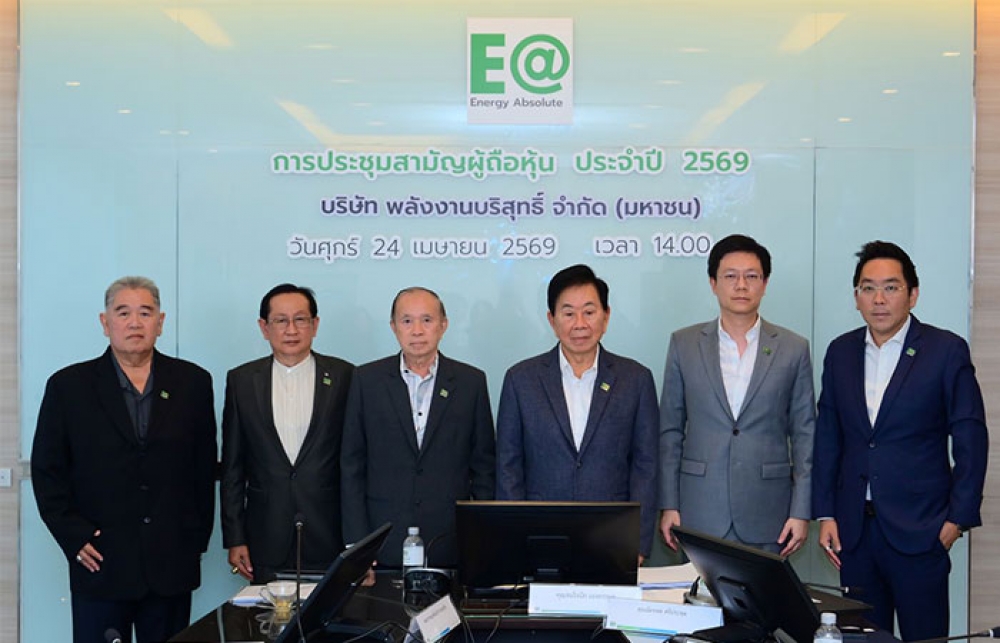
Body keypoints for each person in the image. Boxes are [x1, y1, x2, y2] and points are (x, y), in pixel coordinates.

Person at [813, 241, 989, 641]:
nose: (879, 299)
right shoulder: (841, 352)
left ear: (913, 294)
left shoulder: (945, 351)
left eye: (891, 287)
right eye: (868, 288)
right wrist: (825, 513)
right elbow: (828, 437)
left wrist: (957, 520)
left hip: (922, 530)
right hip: (855, 532)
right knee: (859, 637)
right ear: (856, 296)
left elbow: (971, 438)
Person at [31, 276, 217, 643]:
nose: (135, 323)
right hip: (102, 562)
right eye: (123, 313)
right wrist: (73, 536)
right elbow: (48, 470)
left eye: (145, 313)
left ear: (160, 322)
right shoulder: (69, 386)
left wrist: (194, 541)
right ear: (105, 323)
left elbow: (202, 468)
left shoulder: (193, 382)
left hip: (170, 562)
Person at [659, 235, 815, 556]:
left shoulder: (793, 348)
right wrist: (669, 504)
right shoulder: (684, 344)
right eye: (730, 276)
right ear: (713, 283)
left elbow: (805, 435)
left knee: (763, 591)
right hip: (699, 507)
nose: (741, 285)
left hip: (769, 510)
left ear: (765, 283)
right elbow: (670, 431)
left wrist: (801, 511)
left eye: (751, 276)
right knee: (698, 589)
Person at [495, 264, 659, 558]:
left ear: (606, 317)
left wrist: (638, 542)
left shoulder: (636, 379)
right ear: (552, 319)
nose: (580, 324)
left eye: (589, 312)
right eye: (568, 313)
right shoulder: (521, 380)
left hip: (614, 535)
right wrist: (513, 537)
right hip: (539, 534)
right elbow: (508, 466)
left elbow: (646, 467)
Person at [341, 287, 495, 568]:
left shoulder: (470, 382)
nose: (417, 331)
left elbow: (484, 470)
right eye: (407, 321)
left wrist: (481, 542)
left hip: (450, 541)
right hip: (383, 540)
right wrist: (357, 548)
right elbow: (352, 467)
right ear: (393, 327)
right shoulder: (366, 380)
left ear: (443, 325)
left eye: (427, 320)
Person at [220, 283, 354, 582]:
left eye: (300, 319)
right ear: (264, 327)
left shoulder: (345, 376)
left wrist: (358, 539)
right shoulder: (242, 381)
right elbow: (232, 468)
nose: (291, 329)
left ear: (315, 325)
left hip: (330, 532)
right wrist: (235, 537)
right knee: (265, 612)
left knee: (332, 611)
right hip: (265, 535)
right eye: (281, 320)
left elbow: (356, 463)